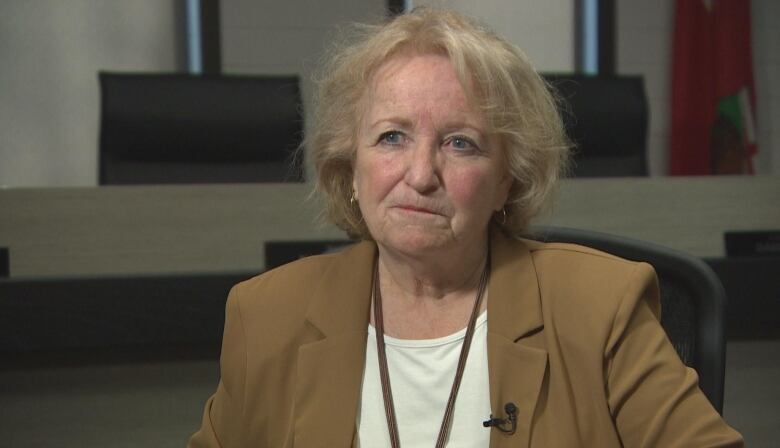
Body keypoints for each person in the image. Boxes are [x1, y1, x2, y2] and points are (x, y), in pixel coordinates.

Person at [189, 8, 743, 447]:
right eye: (391, 137)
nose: (421, 174)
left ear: (508, 179)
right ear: (348, 167)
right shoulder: (266, 315)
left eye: (461, 143)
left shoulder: (602, 307)